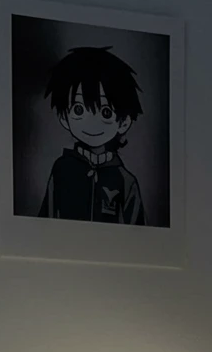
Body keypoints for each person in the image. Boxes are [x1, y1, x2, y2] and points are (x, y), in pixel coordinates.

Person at [40, 45, 145, 224]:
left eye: (106, 113)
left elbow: (142, 234)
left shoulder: (126, 182)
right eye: (79, 109)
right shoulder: (61, 170)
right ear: (64, 117)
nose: (91, 123)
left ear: (124, 122)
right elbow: (44, 222)